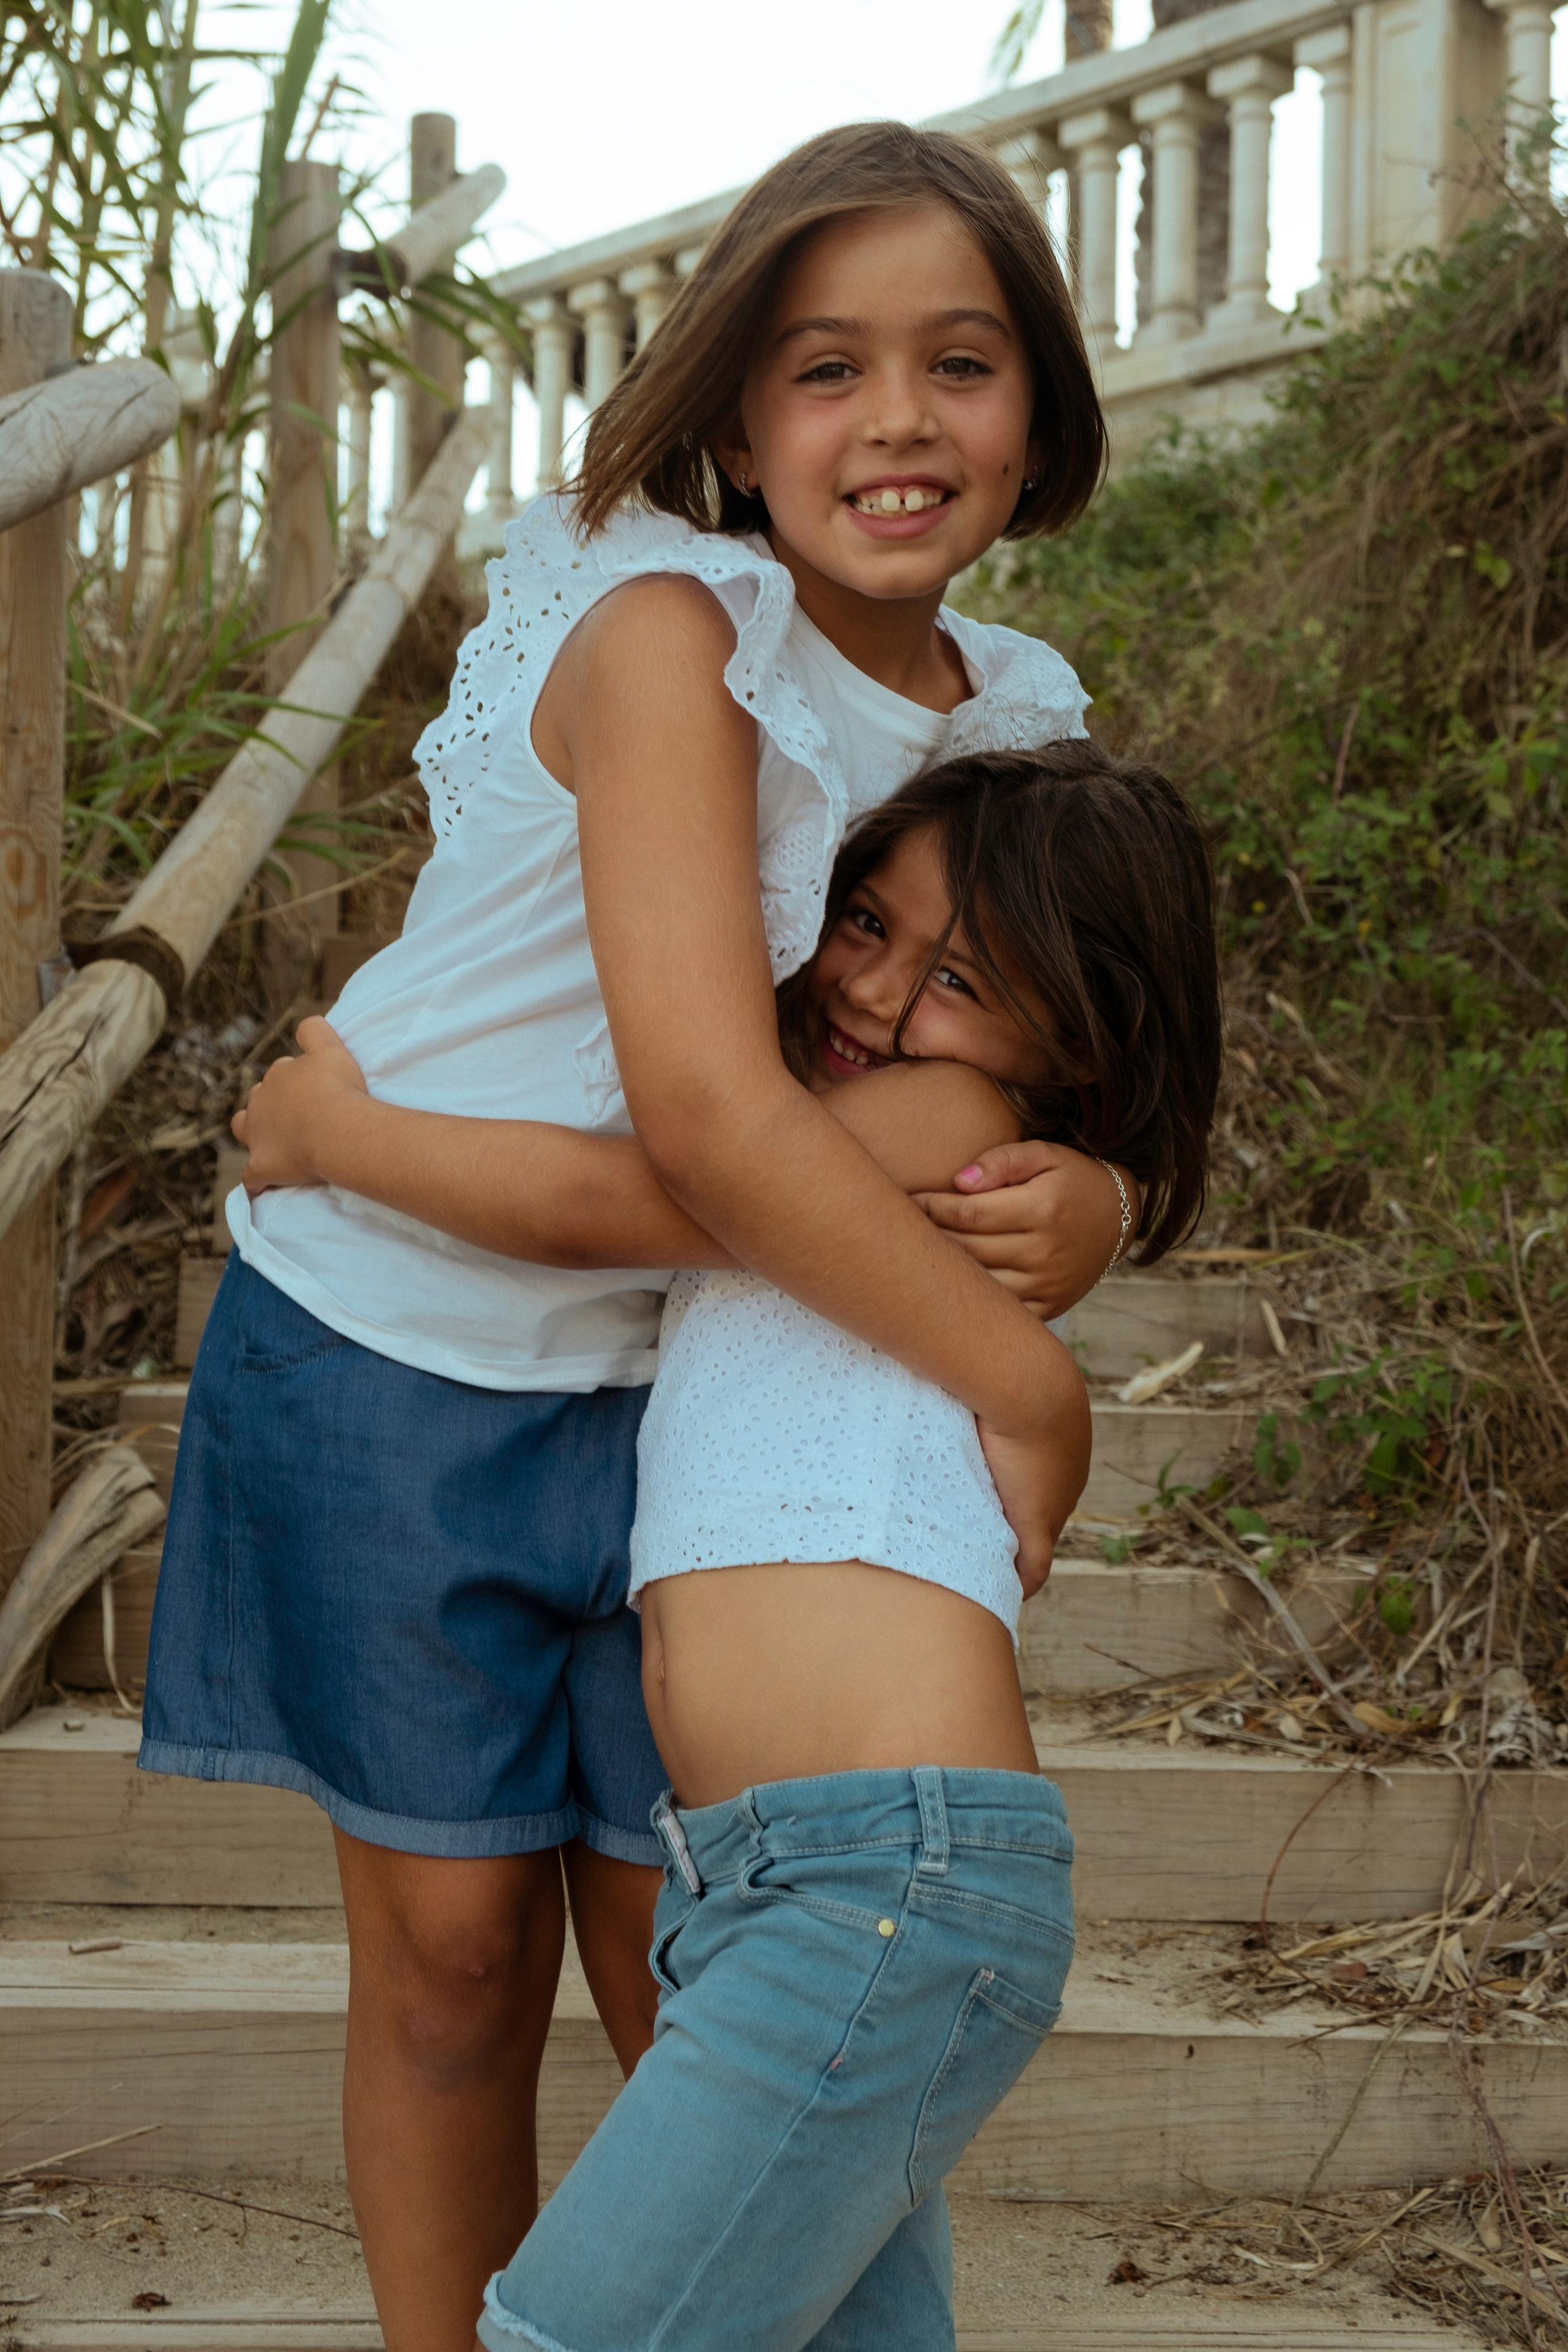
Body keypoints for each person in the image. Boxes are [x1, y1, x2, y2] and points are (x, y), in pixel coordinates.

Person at [141, 119, 1131, 2352]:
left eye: (962, 363)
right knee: (452, 1963)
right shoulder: (671, 631)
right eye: (826, 370)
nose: (897, 421)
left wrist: (1093, 1194)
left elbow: (1051, 1060)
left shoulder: (1019, 726)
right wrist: (1014, 1369)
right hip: (404, 1334)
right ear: (733, 421)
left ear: (1039, 409)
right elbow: (708, 1109)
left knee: (690, 1956)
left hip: (695, 1393)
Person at [246, 741, 1221, 2352]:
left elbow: (593, 1205)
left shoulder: (941, 1115)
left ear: (1079, 1048)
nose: (878, 992)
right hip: (794, 1880)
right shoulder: (864, 1121)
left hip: (882, 1882)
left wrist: (334, 1138)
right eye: (865, 923)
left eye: (961, 977)